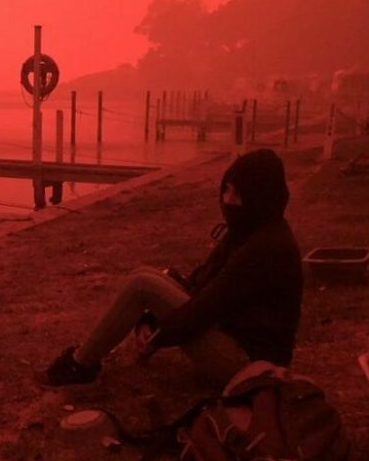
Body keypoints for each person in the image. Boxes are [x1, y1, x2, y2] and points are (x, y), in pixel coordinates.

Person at [43, 148, 303, 389]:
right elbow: (201, 282)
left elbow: (207, 307)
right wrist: (151, 319)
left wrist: (159, 336)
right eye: (226, 190)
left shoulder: (267, 248)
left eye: (236, 194)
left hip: (252, 366)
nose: (227, 200)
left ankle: (81, 366)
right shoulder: (250, 231)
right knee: (144, 276)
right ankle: (84, 361)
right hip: (233, 337)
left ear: (259, 196)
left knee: (142, 285)